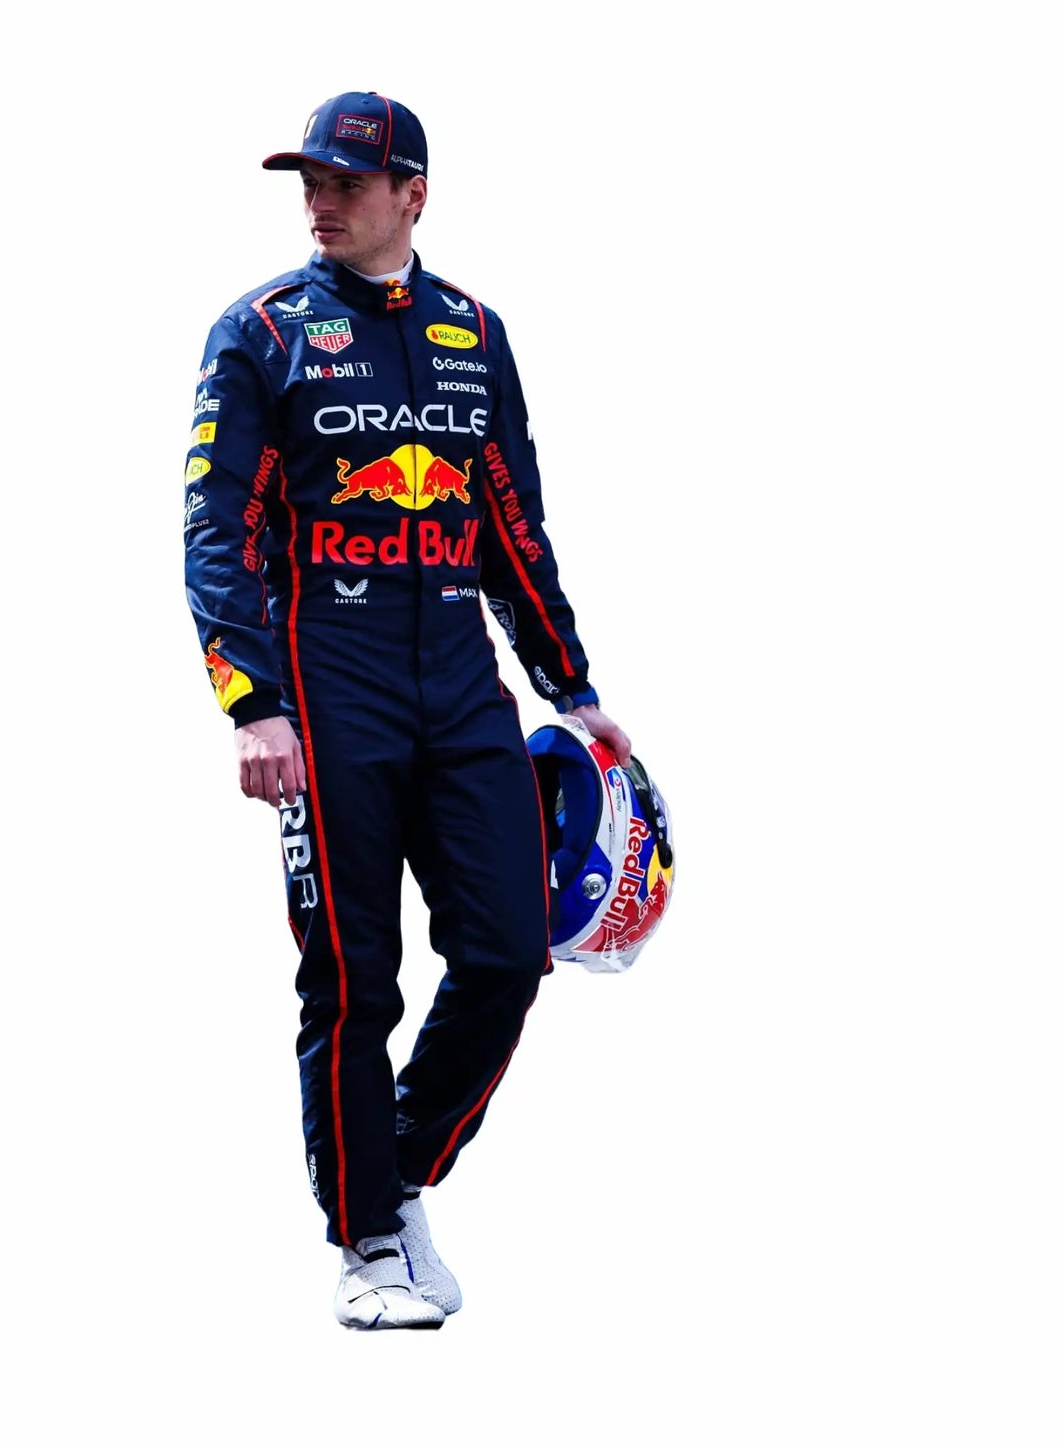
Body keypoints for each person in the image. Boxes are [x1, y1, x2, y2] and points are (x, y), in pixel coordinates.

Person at [182, 90, 633, 1330]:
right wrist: (250, 701)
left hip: (459, 678)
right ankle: (367, 1236)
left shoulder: (473, 332)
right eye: (308, 182)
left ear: (410, 195)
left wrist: (573, 687)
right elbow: (215, 531)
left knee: (506, 950)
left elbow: (512, 527)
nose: (318, 202)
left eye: (344, 182)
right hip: (327, 684)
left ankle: (390, 1167)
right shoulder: (261, 332)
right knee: (352, 974)